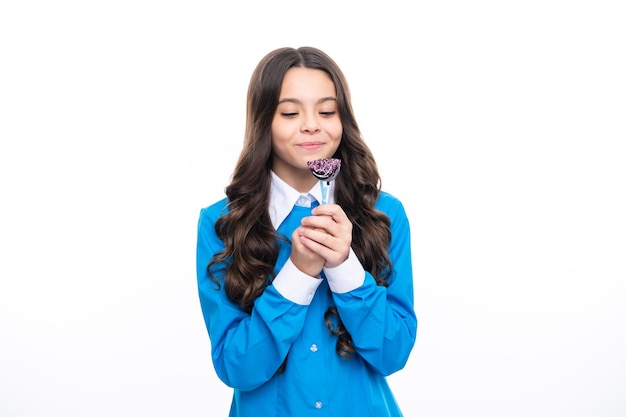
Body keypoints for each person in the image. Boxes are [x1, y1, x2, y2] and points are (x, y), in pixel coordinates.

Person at [196, 46, 417, 416]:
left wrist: (345, 266)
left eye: (327, 111)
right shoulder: (221, 224)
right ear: (264, 120)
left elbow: (393, 353)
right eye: (290, 112)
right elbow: (237, 368)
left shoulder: (384, 214)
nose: (312, 124)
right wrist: (297, 274)